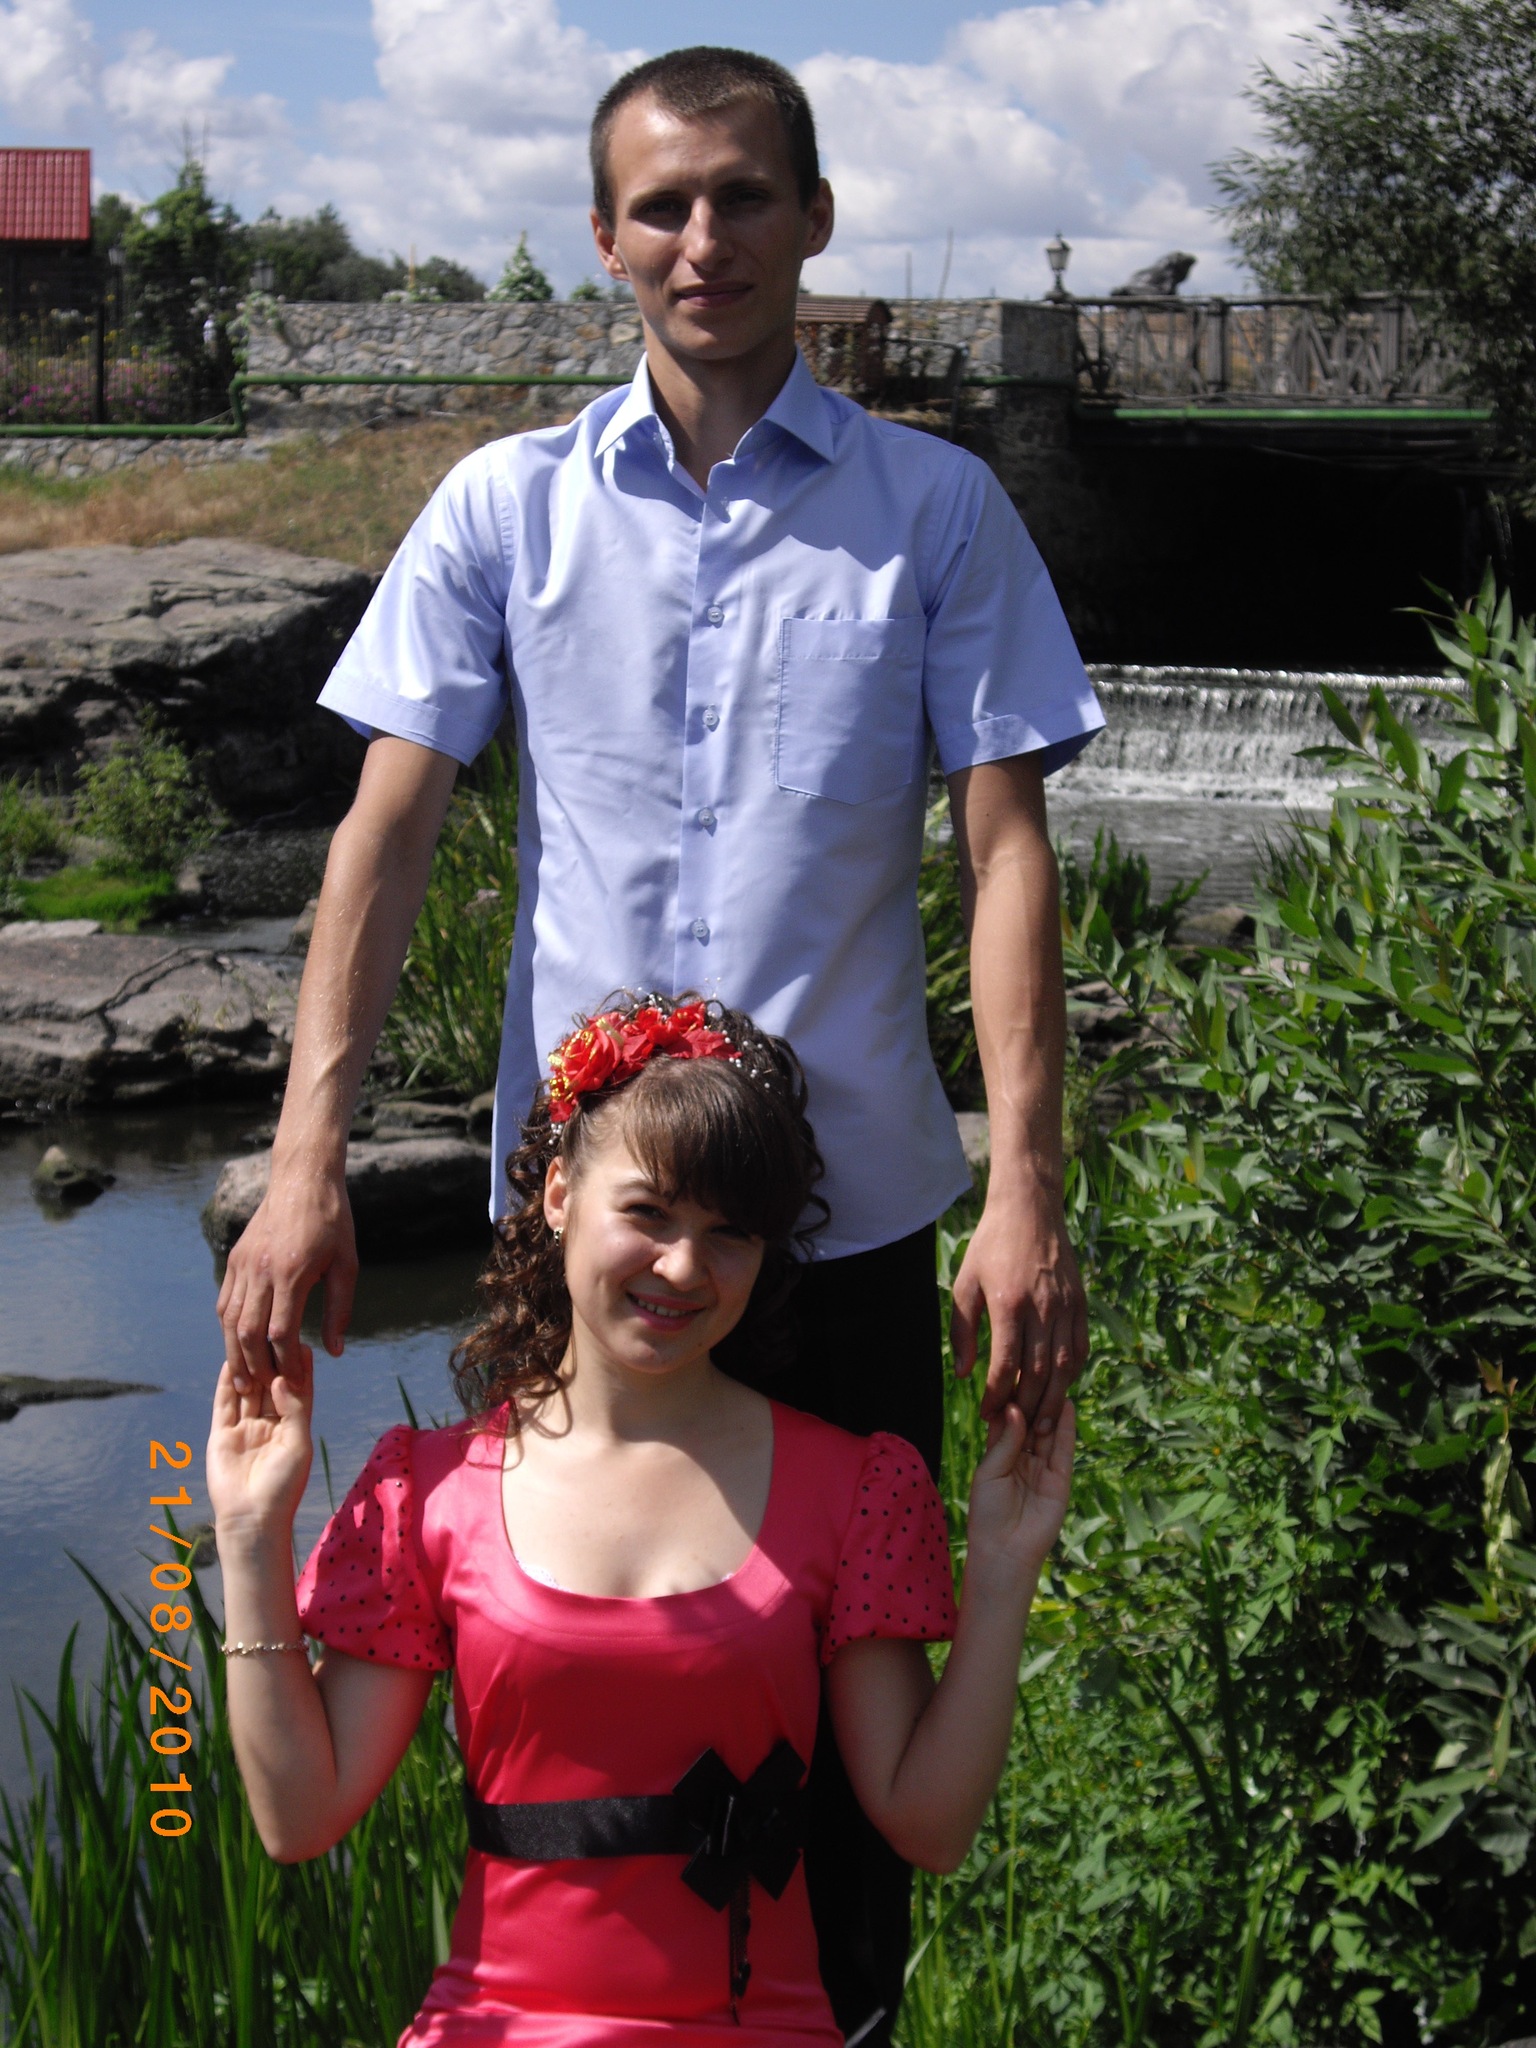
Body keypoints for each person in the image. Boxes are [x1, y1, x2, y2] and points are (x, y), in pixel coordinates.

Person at [215, 44, 1103, 2042]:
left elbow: (1005, 851)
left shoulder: (936, 511)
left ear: (814, 217)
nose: (706, 239)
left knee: (852, 1800)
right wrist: (302, 1165)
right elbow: (386, 835)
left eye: (744, 195)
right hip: (585, 1236)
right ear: (607, 236)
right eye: (663, 204)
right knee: (538, 1701)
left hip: (842, 1229)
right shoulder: (505, 506)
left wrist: (1027, 1188)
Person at [207, 996, 1075, 2048]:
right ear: (559, 1193)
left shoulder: (852, 1488)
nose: (683, 1267)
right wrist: (250, 1537)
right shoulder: (428, 1492)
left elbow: (928, 1826)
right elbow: (300, 1816)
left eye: (728, 1233)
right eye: (651, 1212)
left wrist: (1006, 1567)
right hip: (495, 2024)